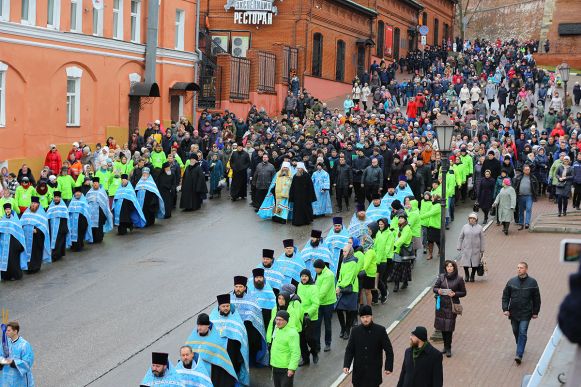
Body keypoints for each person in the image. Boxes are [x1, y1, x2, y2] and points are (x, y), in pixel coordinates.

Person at [343, 305, 394, 387]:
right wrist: (346, 364)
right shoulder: (355, 331)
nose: (365, 319)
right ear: (360, 318)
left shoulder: (380, 330)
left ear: (371, 317)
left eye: (367, 316)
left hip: (373, 374)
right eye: (363, 317)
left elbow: (389, 350)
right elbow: (350, 350)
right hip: (359, 374)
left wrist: (388, 366)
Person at [502, 262, 541, 364]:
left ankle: (519, 354)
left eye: (521, 268)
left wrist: (535, 312)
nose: (519, 269)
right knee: (516, 331)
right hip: (513, 312)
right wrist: (505, 309)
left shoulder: (532, 283)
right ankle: (520, 344)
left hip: (526, 313)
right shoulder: (511, 282)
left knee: (522, 331)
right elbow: (505, 296)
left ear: (526, 269)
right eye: (518, 268)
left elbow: (537, 299)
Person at [185, 313, 240, 386]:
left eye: (201, 325)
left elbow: (220, 359)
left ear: (208, 325)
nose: (199, 328)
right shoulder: (192, 337)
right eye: (198, 325)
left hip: (212, 371)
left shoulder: (215, 338)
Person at [209, 294, 250, 386]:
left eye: (227, 306)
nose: (226, 308)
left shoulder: (236, 318)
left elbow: (242, 336)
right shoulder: (213, 318)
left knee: (232, 374)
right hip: (218, 353)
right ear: (219, 307)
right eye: (223, 306)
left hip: (232, 353)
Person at [230, 276, 269, 367]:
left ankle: (252, 361)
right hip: (235, 328)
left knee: (252, 344)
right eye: (236, 287)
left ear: (244, 287)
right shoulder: (230, 298)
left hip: (249, 328)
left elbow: (254, 312)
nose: (238, 289)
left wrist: (248, 318)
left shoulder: (251, 298)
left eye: (240, 287)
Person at [433, 260, 467, 357]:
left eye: (451, 266)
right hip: (441, 306)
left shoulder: (459, 279)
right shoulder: (441, 277)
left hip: (452, 306)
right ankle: (445, 346)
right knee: (442, 327)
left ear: (454, 267)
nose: (449, 268)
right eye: (448, 266)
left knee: (449, 327)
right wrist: (438, 290)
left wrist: (455, 294)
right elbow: (434, 288)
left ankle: (448, 348)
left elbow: (464, 292)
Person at [20, 197, 51, 274]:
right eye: (32, 203)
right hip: (27, 236)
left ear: (38, 204)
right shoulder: (26, 212)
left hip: (36, 237)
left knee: (35, 252)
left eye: (35, 203)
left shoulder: (41, 213)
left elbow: (44, 225)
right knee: (26, 250)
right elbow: (21, 222)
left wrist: (37, 230)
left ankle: (35, 267)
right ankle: (27, 266)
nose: (33, 205)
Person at [269, 310, 300, 387]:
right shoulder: (276, 328)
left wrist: (292, 368)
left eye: (281, 320)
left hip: (286, 368)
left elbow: (295, 352)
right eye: (277, 319)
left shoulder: (292, 333)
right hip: (275, 366)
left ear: (286, 320)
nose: (278, 322)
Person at [336, 243, 359, 340]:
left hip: (351, 289)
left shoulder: (353, 262)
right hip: (342, 288)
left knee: (349, 312)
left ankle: (347, 330)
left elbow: (348, 278)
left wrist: (339, 287)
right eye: (343, 251)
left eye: (345, 251)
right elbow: (341, 276)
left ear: (350, 252)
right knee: (338, 309)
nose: (343, 253)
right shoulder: (344, 261)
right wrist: (337, 285)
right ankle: (343, 328)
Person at [0, 321, 35, 386]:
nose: (6, 332)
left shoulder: (24, 345)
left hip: (20, 379)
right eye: (6, 330)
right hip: (6, 378)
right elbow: (1, 354)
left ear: (15, 331)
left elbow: (28, 362)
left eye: (8, 331)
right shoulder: (5, 343)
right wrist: (2, 361)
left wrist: (13, 362)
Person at [296, 269, 319, 366]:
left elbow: (316, 304)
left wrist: (307, 313)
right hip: (300, 317)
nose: (303, 278)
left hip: (311, 318)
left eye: (305, 276)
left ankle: (314, 351)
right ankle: (305, 359)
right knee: (301, 340)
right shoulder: (299, 285)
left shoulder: (314, 288)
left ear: (309, 277)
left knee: (310, 338)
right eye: (302, 276)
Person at [0, 204, 27, 281]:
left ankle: (15, 275)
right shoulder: (2, 220)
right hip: (4, 243)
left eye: (9, 209)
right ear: (4, 210)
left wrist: (17, 244)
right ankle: (5, 276)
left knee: (13, 260)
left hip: (13, 243)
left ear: (11, 210)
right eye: (6, 209)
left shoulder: (15, 219)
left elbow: (19, 232)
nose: (7, 210)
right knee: (5, 260)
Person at [457, 213, 485, 282]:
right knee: (465, 263)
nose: (472, 220)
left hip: (476, 249)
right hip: (466, 248)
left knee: (475, 264)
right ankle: (467, 274)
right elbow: (461, 237)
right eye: (470, 218)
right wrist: (459, 246)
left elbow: (482, 239)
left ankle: (472, 275)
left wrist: (482, 249)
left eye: (473, 219)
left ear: (476, 220)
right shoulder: (465, 227)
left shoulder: (479, 227)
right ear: (468, 219)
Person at [85, 177, 113, 243]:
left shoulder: (102, 192)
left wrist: (105, 212)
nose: (95, 185)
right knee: (91, 225)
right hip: (91, 213)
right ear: (92, 184)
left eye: (96, 183)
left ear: (98, 184)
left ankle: (99, 238)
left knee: (99, 226)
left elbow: (106, 203)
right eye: (94, 183)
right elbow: (86, 202)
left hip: (100, 212)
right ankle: (92, 238)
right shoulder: (89, 193)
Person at [46, 191, 70, 262]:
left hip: (61, 227)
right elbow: (48, 217)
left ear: (60, 198)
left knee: (59, 242)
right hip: (52, 227)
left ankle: (55, 255)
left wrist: (64, 228)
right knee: (55, 241)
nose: (56, 199)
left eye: (57, 197)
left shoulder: (63, 206)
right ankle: (56, 254)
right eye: (55, 197)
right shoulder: (51, 206)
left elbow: (65, 218)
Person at [68, 187, 92, 251]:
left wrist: (84, 221)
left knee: (80, 233)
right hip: (72, 221)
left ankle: (79, 245)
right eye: (76, 192)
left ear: (81, 193)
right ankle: (73, 245)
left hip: (81, 221)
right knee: (73, 232)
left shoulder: (84, 201)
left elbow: (87, 212)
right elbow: (69, 212)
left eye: (79, 192)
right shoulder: (72, 202)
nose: (77, 194)